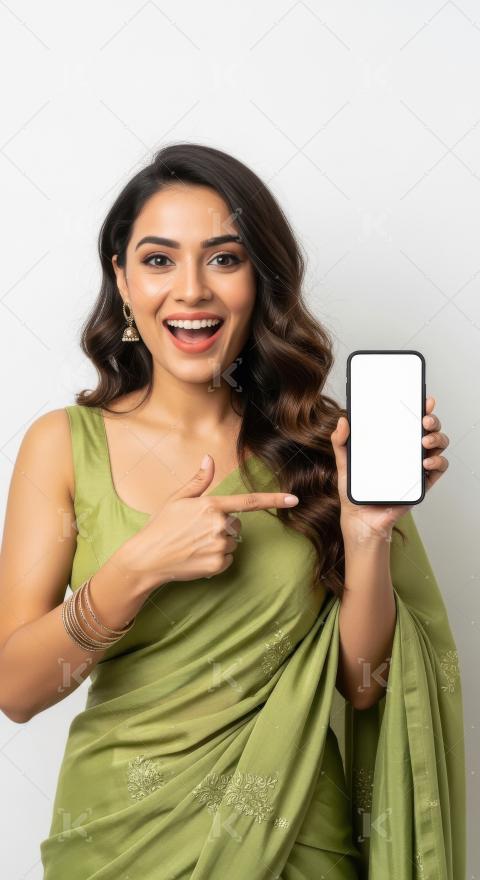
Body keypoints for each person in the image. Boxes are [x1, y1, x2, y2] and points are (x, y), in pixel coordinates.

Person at [0, 143, 465, 879]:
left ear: (261, 280)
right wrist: (137, 567)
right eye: (158, 260)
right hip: (120, 844)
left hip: (297, 842)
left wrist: (367, 532)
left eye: (223, 258)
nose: (191, 291)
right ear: (120, 278)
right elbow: (14, 691)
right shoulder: (62, 445)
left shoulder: (322, 445)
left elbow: (366, 685)